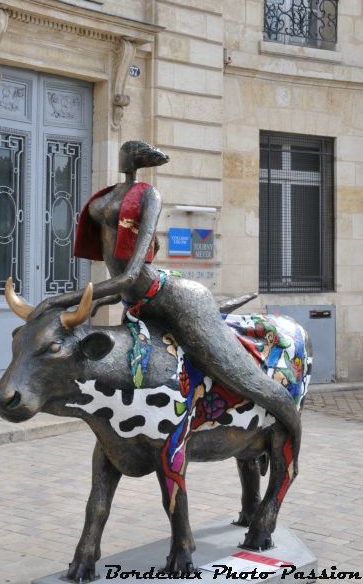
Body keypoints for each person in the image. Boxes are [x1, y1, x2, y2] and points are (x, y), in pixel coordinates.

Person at [32, 140, 302, 475]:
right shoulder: (107, 195)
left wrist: (56, 299)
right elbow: (122, 286)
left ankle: (288, 419)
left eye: (134, 152)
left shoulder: (149, 196)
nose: (128, 155)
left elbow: (131, 274)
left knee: (238, 374)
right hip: (138, 301)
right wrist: (93, 301)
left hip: (177, 298)